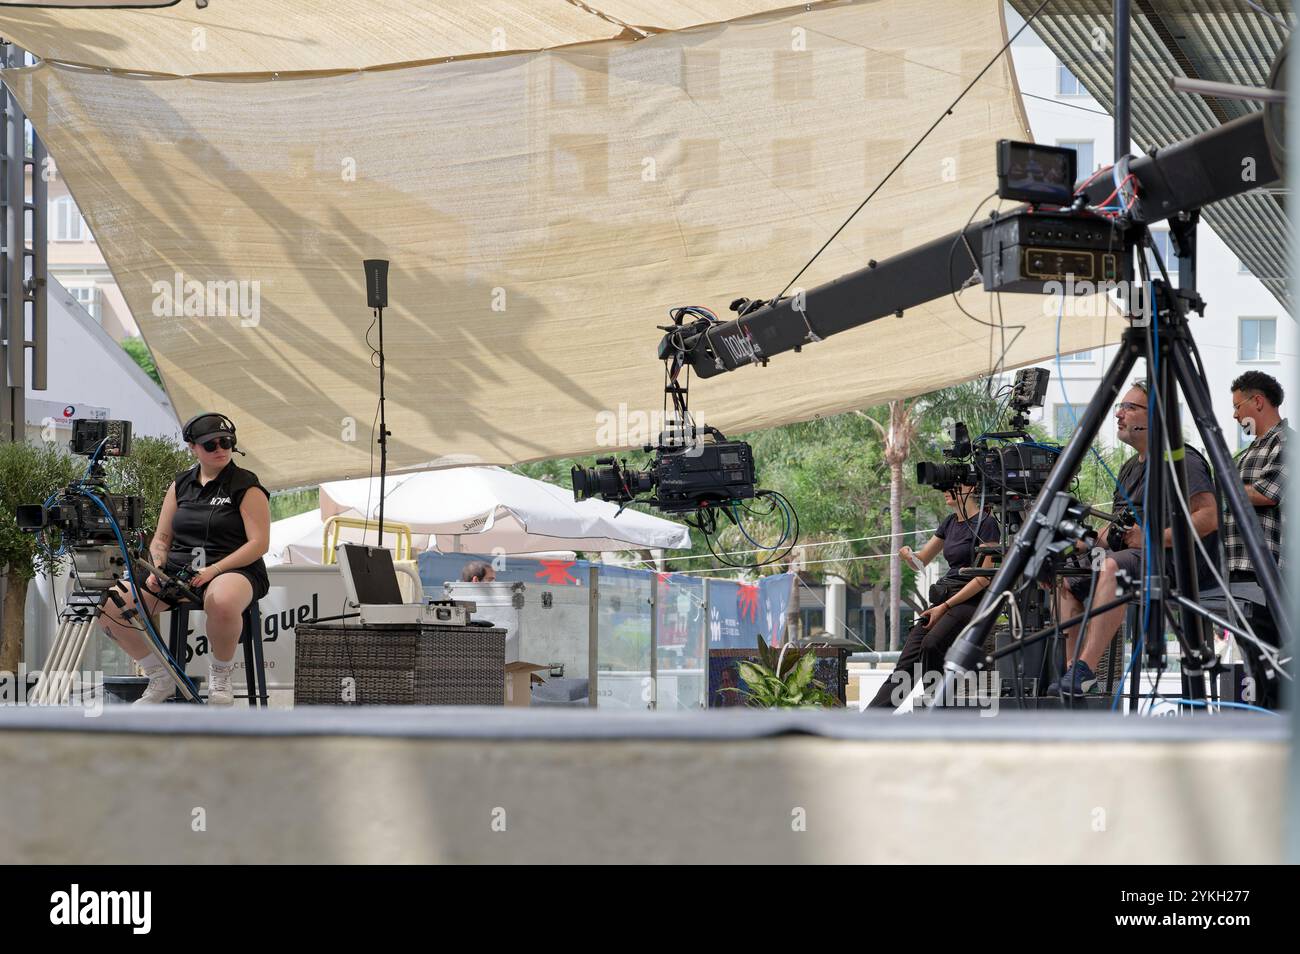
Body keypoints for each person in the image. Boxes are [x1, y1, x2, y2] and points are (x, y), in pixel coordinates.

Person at [1052, 380, 1221, 697]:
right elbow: (1119, 528)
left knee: (1114, 566)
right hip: (1137, 558)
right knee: (1067, 576)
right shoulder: (1130, 468)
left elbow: (1207, 517)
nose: (1119, 414)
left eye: (1130, 407)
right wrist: (1082, 544)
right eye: (1120, 407)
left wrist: (1153, 538)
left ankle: (1086, 668)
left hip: (1178, 565)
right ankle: (1073, 670)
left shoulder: (1184, 460)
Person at [98, 412, 271, 706]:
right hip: (179, 569)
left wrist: (214, 569)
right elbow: (162, 539)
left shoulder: (246, 485)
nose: (220, 449)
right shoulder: (180, 485)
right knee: (109, 605)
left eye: (226, 442)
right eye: (211, 444)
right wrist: (156, 566)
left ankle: (220, 676)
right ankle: (160, 676)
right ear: (192, 447)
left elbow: (259, 544)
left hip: (234, 567)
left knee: (222, 600)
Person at [868, 482, 999, 709]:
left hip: (970, 600)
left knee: (931, 644)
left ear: (970, 488)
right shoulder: (949, 523)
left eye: (953, 485)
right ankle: (870, 722)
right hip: (945, 598)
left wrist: (945, 607)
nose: (946, 490)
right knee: (907, 661)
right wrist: (909, 556)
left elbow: (984, 579)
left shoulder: (987, 524)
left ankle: (937, 706)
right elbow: (921, 562)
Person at [1223, 370, 1290, 709]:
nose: (1235, 415)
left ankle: (1279, 732)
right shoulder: (1248, 453)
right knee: (1254, 659)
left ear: (1258, 401)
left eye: (1237, 406)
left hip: (1267, 572)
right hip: (1239, 569)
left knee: (1271, 657)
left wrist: (1222, 485)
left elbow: (1268, 493)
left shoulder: (1287, 443)